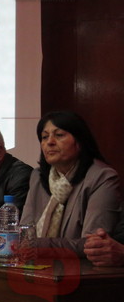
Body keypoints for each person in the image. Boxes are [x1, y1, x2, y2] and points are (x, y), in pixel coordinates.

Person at [16, 110, 121, 257]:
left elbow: (93, 244)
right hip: (37, 263)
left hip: (81, 267)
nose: (50, 142)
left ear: (80, 141)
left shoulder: (101, 177)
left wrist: (34, 244)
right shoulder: (37, 177)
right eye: (44, 137)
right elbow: (24, 233)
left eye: (59, 135)